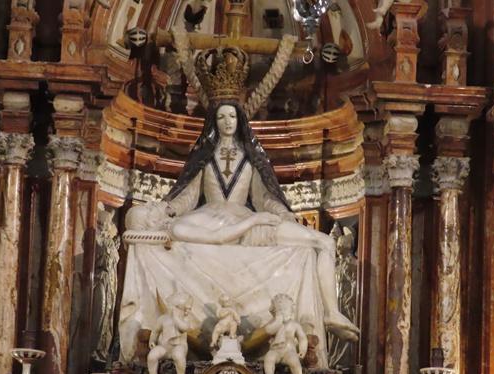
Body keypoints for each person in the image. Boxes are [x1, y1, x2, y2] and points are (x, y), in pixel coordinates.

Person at [124, 101, 359, 346]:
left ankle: (332, 313)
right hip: (214, 218)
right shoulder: (203, 159)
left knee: (324, 242)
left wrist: (283, 213)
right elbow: (188, 197)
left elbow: (263, 197)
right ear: (214, 122)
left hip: (247, 219)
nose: (227, 122)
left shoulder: (251, 157)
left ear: (240, 121)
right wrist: (165, 209)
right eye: (222, 117)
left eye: (232, 116)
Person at [262, 294, 308, 374]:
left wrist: (302, 349)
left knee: (294, 362)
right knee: (268, 358)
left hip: (289, 351)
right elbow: (268, 331)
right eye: (279, 310)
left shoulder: (294, 325)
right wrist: (277, 321)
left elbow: (302, 338)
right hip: (275, 350)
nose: (282, 311)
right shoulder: (273, 324)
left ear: (291, 310)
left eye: (285, 309)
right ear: (274, 311)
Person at [144, 292, 193, 374]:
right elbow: (155, 331)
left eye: (176, 308)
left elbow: (184, 328)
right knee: (152, 356)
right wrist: (152, 341)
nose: (172, 309)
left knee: (179, 356)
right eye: (171, 306)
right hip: (164, 347)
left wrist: (176, 318)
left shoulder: (185, 319)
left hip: (178, 346)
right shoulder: (163, 319)